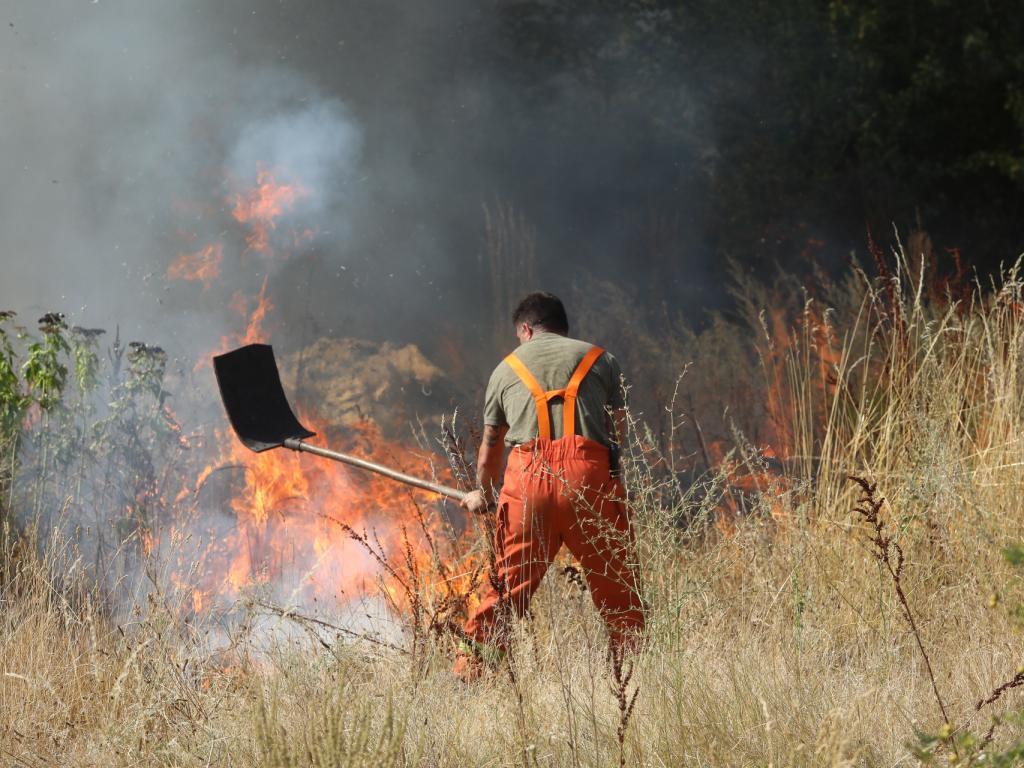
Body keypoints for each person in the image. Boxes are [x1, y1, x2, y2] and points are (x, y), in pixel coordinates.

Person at [455, 291, 645, 679]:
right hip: (589, 480)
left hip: (527, 487)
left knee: (506, 590)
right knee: (620, 590)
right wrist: (607, 481)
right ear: (562, 328)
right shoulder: (602, 360)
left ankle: (471, 675)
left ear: (525, 329)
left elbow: (491, 444)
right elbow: (618, 433)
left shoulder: (505, 369)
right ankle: (634, 677)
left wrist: (484, 494)